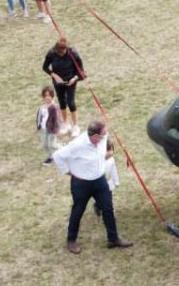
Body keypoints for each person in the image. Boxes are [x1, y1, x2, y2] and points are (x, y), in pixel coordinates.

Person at [52, 121, 133, 253]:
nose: (106, 135)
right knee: (78, 210)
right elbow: (57, 156)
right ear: (95, 136)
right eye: (103, 134)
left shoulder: (102, 138)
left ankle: (113, 239)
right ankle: (71, 240)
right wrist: (68, 171)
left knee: (108, 208)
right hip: (81, 184)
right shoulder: (77, 145)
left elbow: (101, 151)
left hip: (100, 181)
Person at [43, 37, 85, 134]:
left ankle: (75, 126)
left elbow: (81, 71)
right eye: (59, 53)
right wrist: (55, 76)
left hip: (71, 80)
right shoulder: (51, 54)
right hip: (58, 82)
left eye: (63, 52)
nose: (62, 54)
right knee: (62, 102)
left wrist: (74, 79)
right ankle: (65, 123)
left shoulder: (73, 53)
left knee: (71, 102)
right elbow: (45, 67)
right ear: (56, 50)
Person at [38, 86, 63, 165]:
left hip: (52, 129)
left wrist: (56, 130)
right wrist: (38, 125)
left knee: (51, 144)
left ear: (52, 96)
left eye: (49, 95)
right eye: (45, 95)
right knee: (45, 145)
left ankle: (61, 149)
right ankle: (51, 157)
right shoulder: (42, 107)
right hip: (43, 129)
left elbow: (57, 119)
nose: (47, 97)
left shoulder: (54, 107)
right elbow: (40, 117)